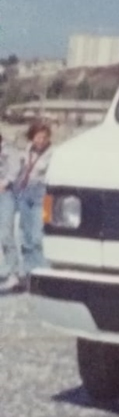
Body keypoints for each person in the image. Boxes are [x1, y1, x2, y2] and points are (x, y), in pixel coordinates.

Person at [15, 120, 54, 288]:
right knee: (25, 235)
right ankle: (28, 272)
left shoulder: (54, 153)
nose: (40, 140)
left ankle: (44, 273)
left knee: (40, 236)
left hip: (45, 198)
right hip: (25, 195)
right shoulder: (27, 150)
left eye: (44, 137)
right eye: (38, 137)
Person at [0, 133, 22, 291]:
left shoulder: (9, 150)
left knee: (5, 234)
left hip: (6, 194)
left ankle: (13, 274)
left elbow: (15, 170)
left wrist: (5, 182)